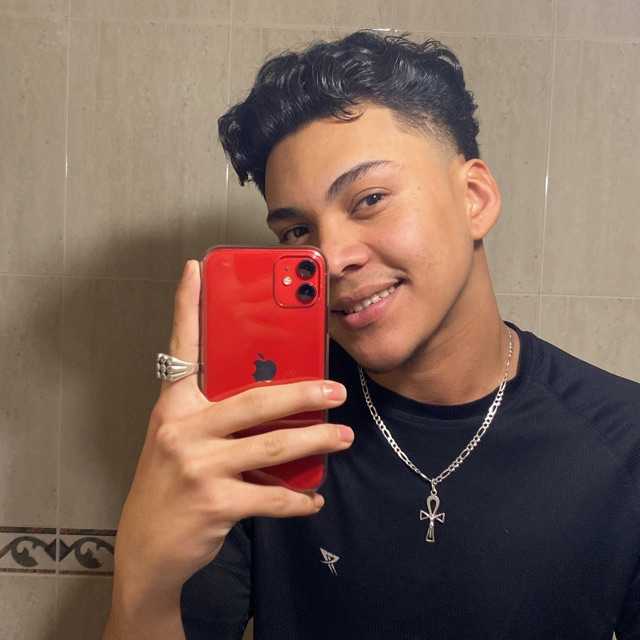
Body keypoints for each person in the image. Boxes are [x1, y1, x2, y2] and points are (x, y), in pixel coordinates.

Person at [103, 30, 640, 640]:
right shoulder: (263, 433)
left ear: (474, 199)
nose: (332, 258)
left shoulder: (624, 441)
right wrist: (143, 582)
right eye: (297, 232)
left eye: (370, 199)